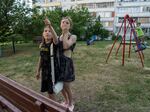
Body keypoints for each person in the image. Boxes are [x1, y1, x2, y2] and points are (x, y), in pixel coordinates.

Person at [36, 18, 59, 100]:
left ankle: (53, 107)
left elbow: (56, 38)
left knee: (51, 92)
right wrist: (38, 71)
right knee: (48, 91)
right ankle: (51, 105)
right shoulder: (42, 45)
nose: (47, 32)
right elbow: (41, 58)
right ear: (43, 34)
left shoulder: (54, 44)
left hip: (52, 72)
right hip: (44, 72)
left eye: (49, 31)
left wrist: (49, 25)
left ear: (52, 34)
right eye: (45, 31)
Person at [58, 16, 77, 111]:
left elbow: (65, 46)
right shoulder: (59, 37)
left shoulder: (73, 36)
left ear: (70, 26)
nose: (64, 24)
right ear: (60, 25)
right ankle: (65, 101)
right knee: (60, 85)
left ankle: (70, 103)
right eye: (63, 22)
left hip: (67, 63)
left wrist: (65, 33)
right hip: (58, 63)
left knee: (66, 85)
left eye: (67, 23)